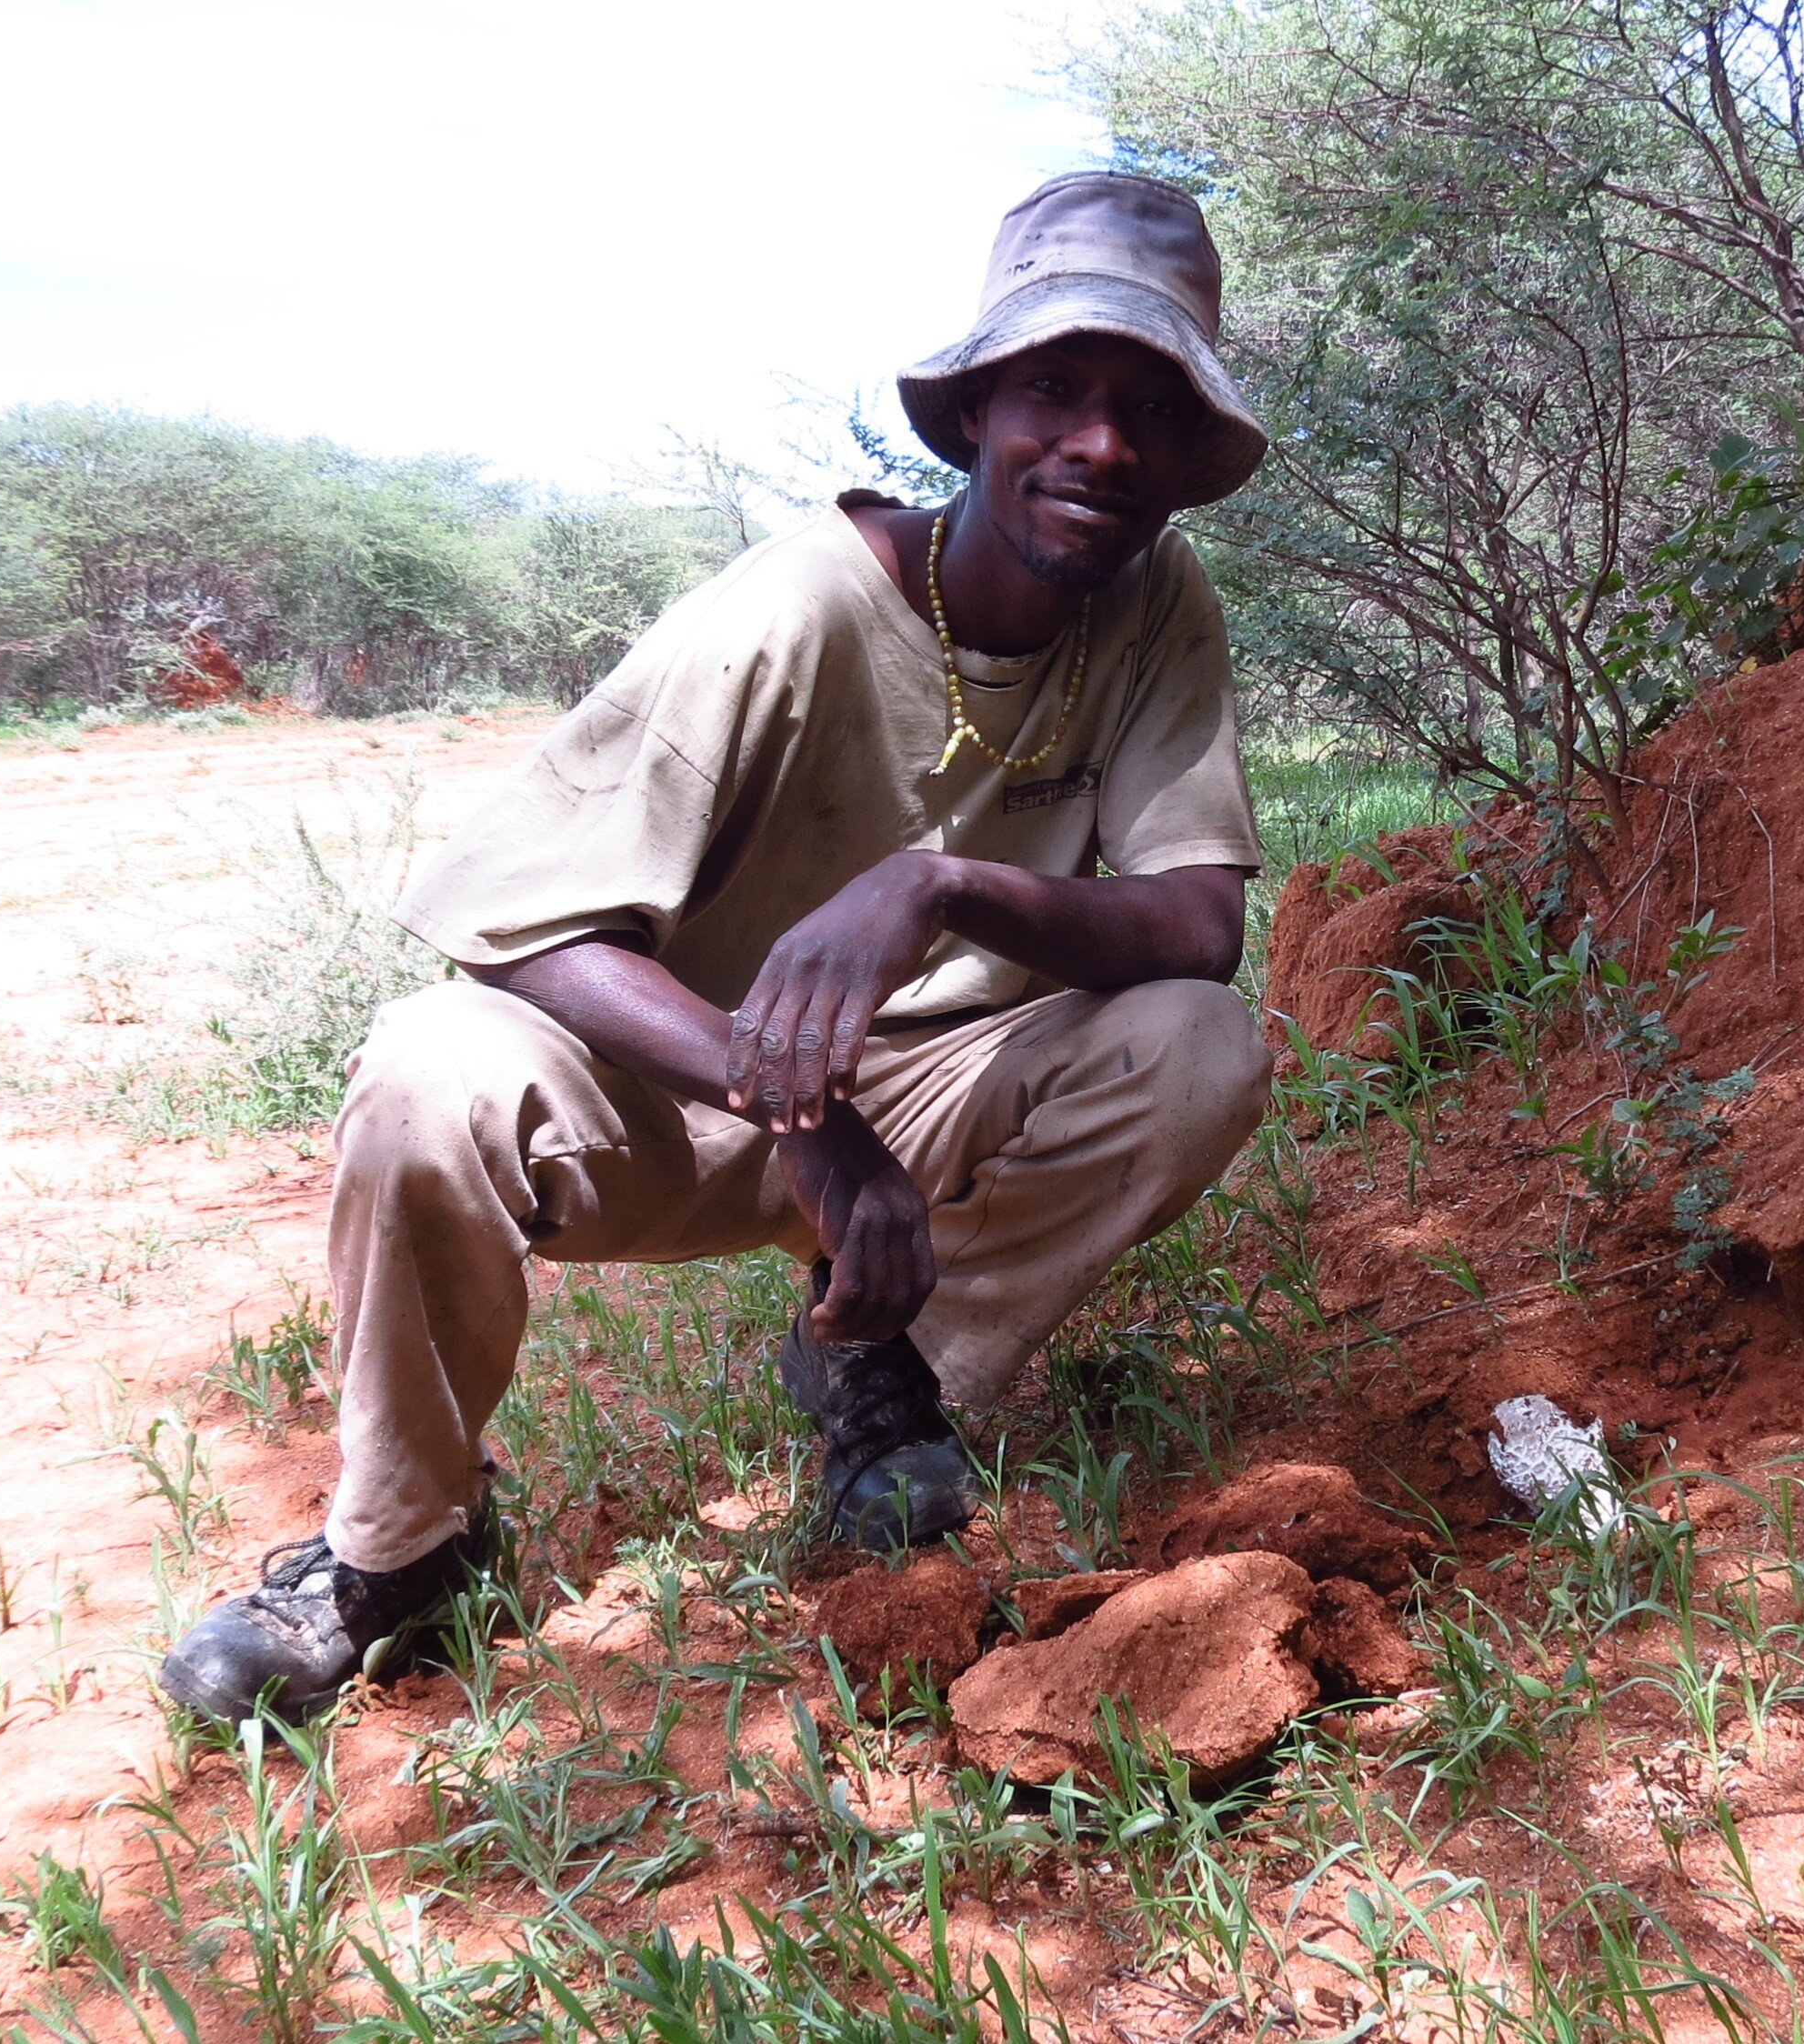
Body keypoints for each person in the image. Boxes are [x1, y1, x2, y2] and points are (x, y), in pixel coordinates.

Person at [161, 172, 1278, 1725]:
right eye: (1057, 390)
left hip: (942, 1086)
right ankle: (400, 1548)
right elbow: (518, 925)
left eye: (1153, 408)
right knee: (427, 1071)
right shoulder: (795, 609)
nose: (1102, 443)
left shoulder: (1157, 603)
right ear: (973, 417)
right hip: (682, 1091)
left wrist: (939, 887)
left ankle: (887, 1378)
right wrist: (804, 1121)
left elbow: (1197, 926)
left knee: (1198, 1046)